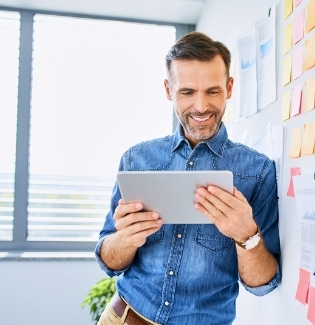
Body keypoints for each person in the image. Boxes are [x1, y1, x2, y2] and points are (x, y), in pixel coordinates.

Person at [95, 31, 281, 325]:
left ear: (229, 88)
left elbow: (264, 283)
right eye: (187, 92)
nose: (201, 106)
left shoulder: (257, 171)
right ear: (169, 90)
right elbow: (108, 260)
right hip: (123, 318)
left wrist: (247, 236)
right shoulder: (136, 161)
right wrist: (126, 240)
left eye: (213, 91)